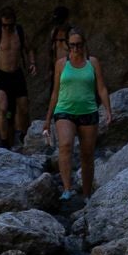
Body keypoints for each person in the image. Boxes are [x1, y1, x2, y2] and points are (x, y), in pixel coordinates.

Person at [43, 27, 111, 201]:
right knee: (65, 145)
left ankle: (87, 195)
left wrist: (108, 110)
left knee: (87, 154)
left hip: (88, 111)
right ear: (67, 45)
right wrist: (48, 119)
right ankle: (67, 189)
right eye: (72, 45)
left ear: (84, 44)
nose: (75, 49)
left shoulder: (92, 62)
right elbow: (55, 92)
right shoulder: (61, 64)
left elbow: (101, 88)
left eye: (79, 45)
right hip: (64, 110)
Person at [0, 6, 35, 148]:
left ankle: (25, 134)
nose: (7, 28)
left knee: (23, 107)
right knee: (3, 108)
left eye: (10, 25)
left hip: (16, 74)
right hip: (0, 75)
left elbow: (29, 50)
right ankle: (4, 142)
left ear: (14, 22)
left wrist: (32, 63)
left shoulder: (20, 33)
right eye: (4, 25)